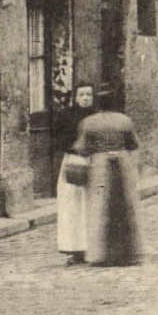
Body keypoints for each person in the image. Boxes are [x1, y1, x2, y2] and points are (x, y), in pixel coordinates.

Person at [71, 97, 144, 266]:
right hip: (122, 165)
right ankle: (128, 253)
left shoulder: (89, 122)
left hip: (100, 166)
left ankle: (101, 254)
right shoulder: (124, 121)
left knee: (99, 206)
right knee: (126, 206)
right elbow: (134, 144)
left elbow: (81, 148)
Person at [55, 84, 94, 263]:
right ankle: (74, 248)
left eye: (88, 94)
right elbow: (58, 139)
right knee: (72, 205)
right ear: (76, 98)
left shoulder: (96, 117)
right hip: (73, 161)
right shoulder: (67, 116)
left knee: (90, 203)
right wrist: (74, 148)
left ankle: (91, 246)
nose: (85, 98)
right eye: (82, 94)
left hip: (93, 162)